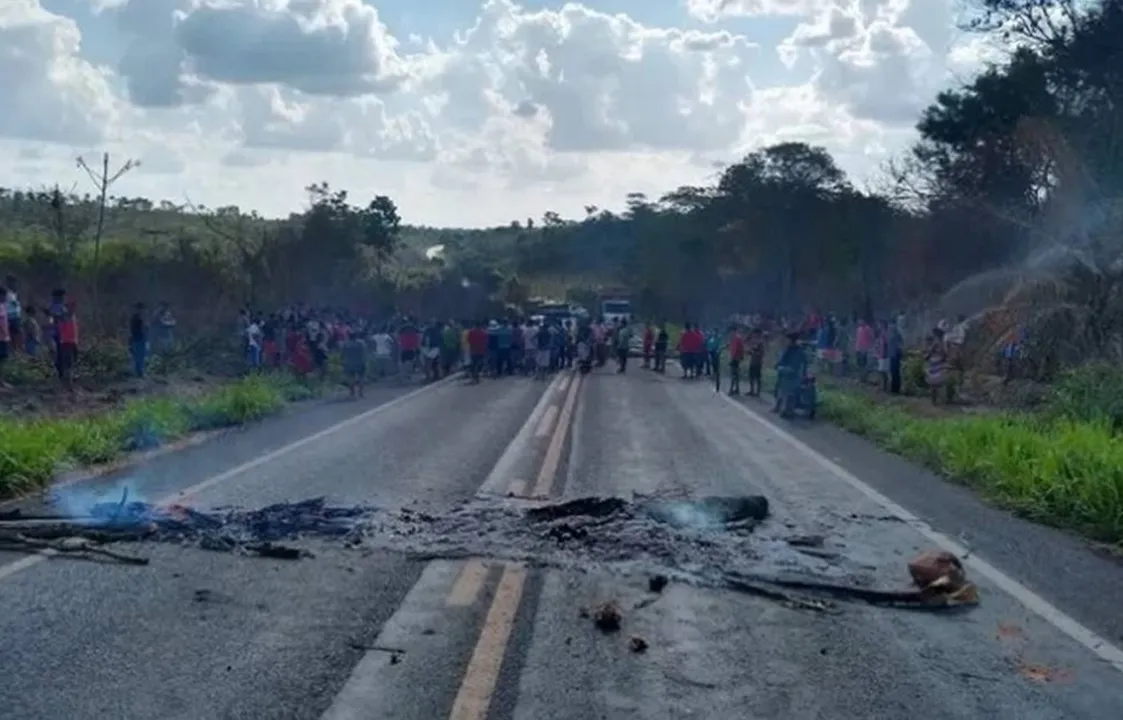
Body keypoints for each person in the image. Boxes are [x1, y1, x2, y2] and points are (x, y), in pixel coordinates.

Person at [773, 332, 807, 417]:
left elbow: (795, 366)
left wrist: (782, 368)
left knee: (789, 394)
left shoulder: (798, 351)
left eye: (788, 340)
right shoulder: (788, 349)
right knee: (780, 391)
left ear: (792, 340)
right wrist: (778, 365)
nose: (786, 341)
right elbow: (782, 359)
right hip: (784, 374)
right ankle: (778, 407)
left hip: (792, 375)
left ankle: (788, 411)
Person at [341, 332, 367, 398]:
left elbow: (343, 354)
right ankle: (361, 393)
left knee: (351, 378)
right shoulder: (361, 343)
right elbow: (364, 351)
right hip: (360, 362)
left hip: (349, 363)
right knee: (361, 378)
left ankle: (352, 393)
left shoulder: (346, 344)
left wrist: (343, 361)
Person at [129, 302, 149, 378]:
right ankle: (138, 372)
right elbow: (144, 328)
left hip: (139, 339)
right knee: (139, 356)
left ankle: (138, 372)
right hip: (138, 339)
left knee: (140, 356)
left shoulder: (137, 317)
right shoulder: (138, 318)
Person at [746, 328, 765, 397]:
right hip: (752, 361)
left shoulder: (760, 342)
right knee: (751, 376)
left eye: (755, 333)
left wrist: (753, 352)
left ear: (758, 334)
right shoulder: (754, 342)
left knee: (757, 378)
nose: (754, 335)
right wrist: (750, 352)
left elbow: (762, 353)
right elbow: (752, 351)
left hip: (758, 362)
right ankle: (752, 390)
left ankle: (758, 392)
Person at [728, 326, 744, 396]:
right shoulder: (735, 338)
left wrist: (734, 358)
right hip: (736, 357)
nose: (731, 333)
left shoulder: (737, 338)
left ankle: (731, 389)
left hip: (735, 358)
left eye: (732, 331)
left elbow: (737, 349)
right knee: (736, 375)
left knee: (733, 374)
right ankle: (737, 389)